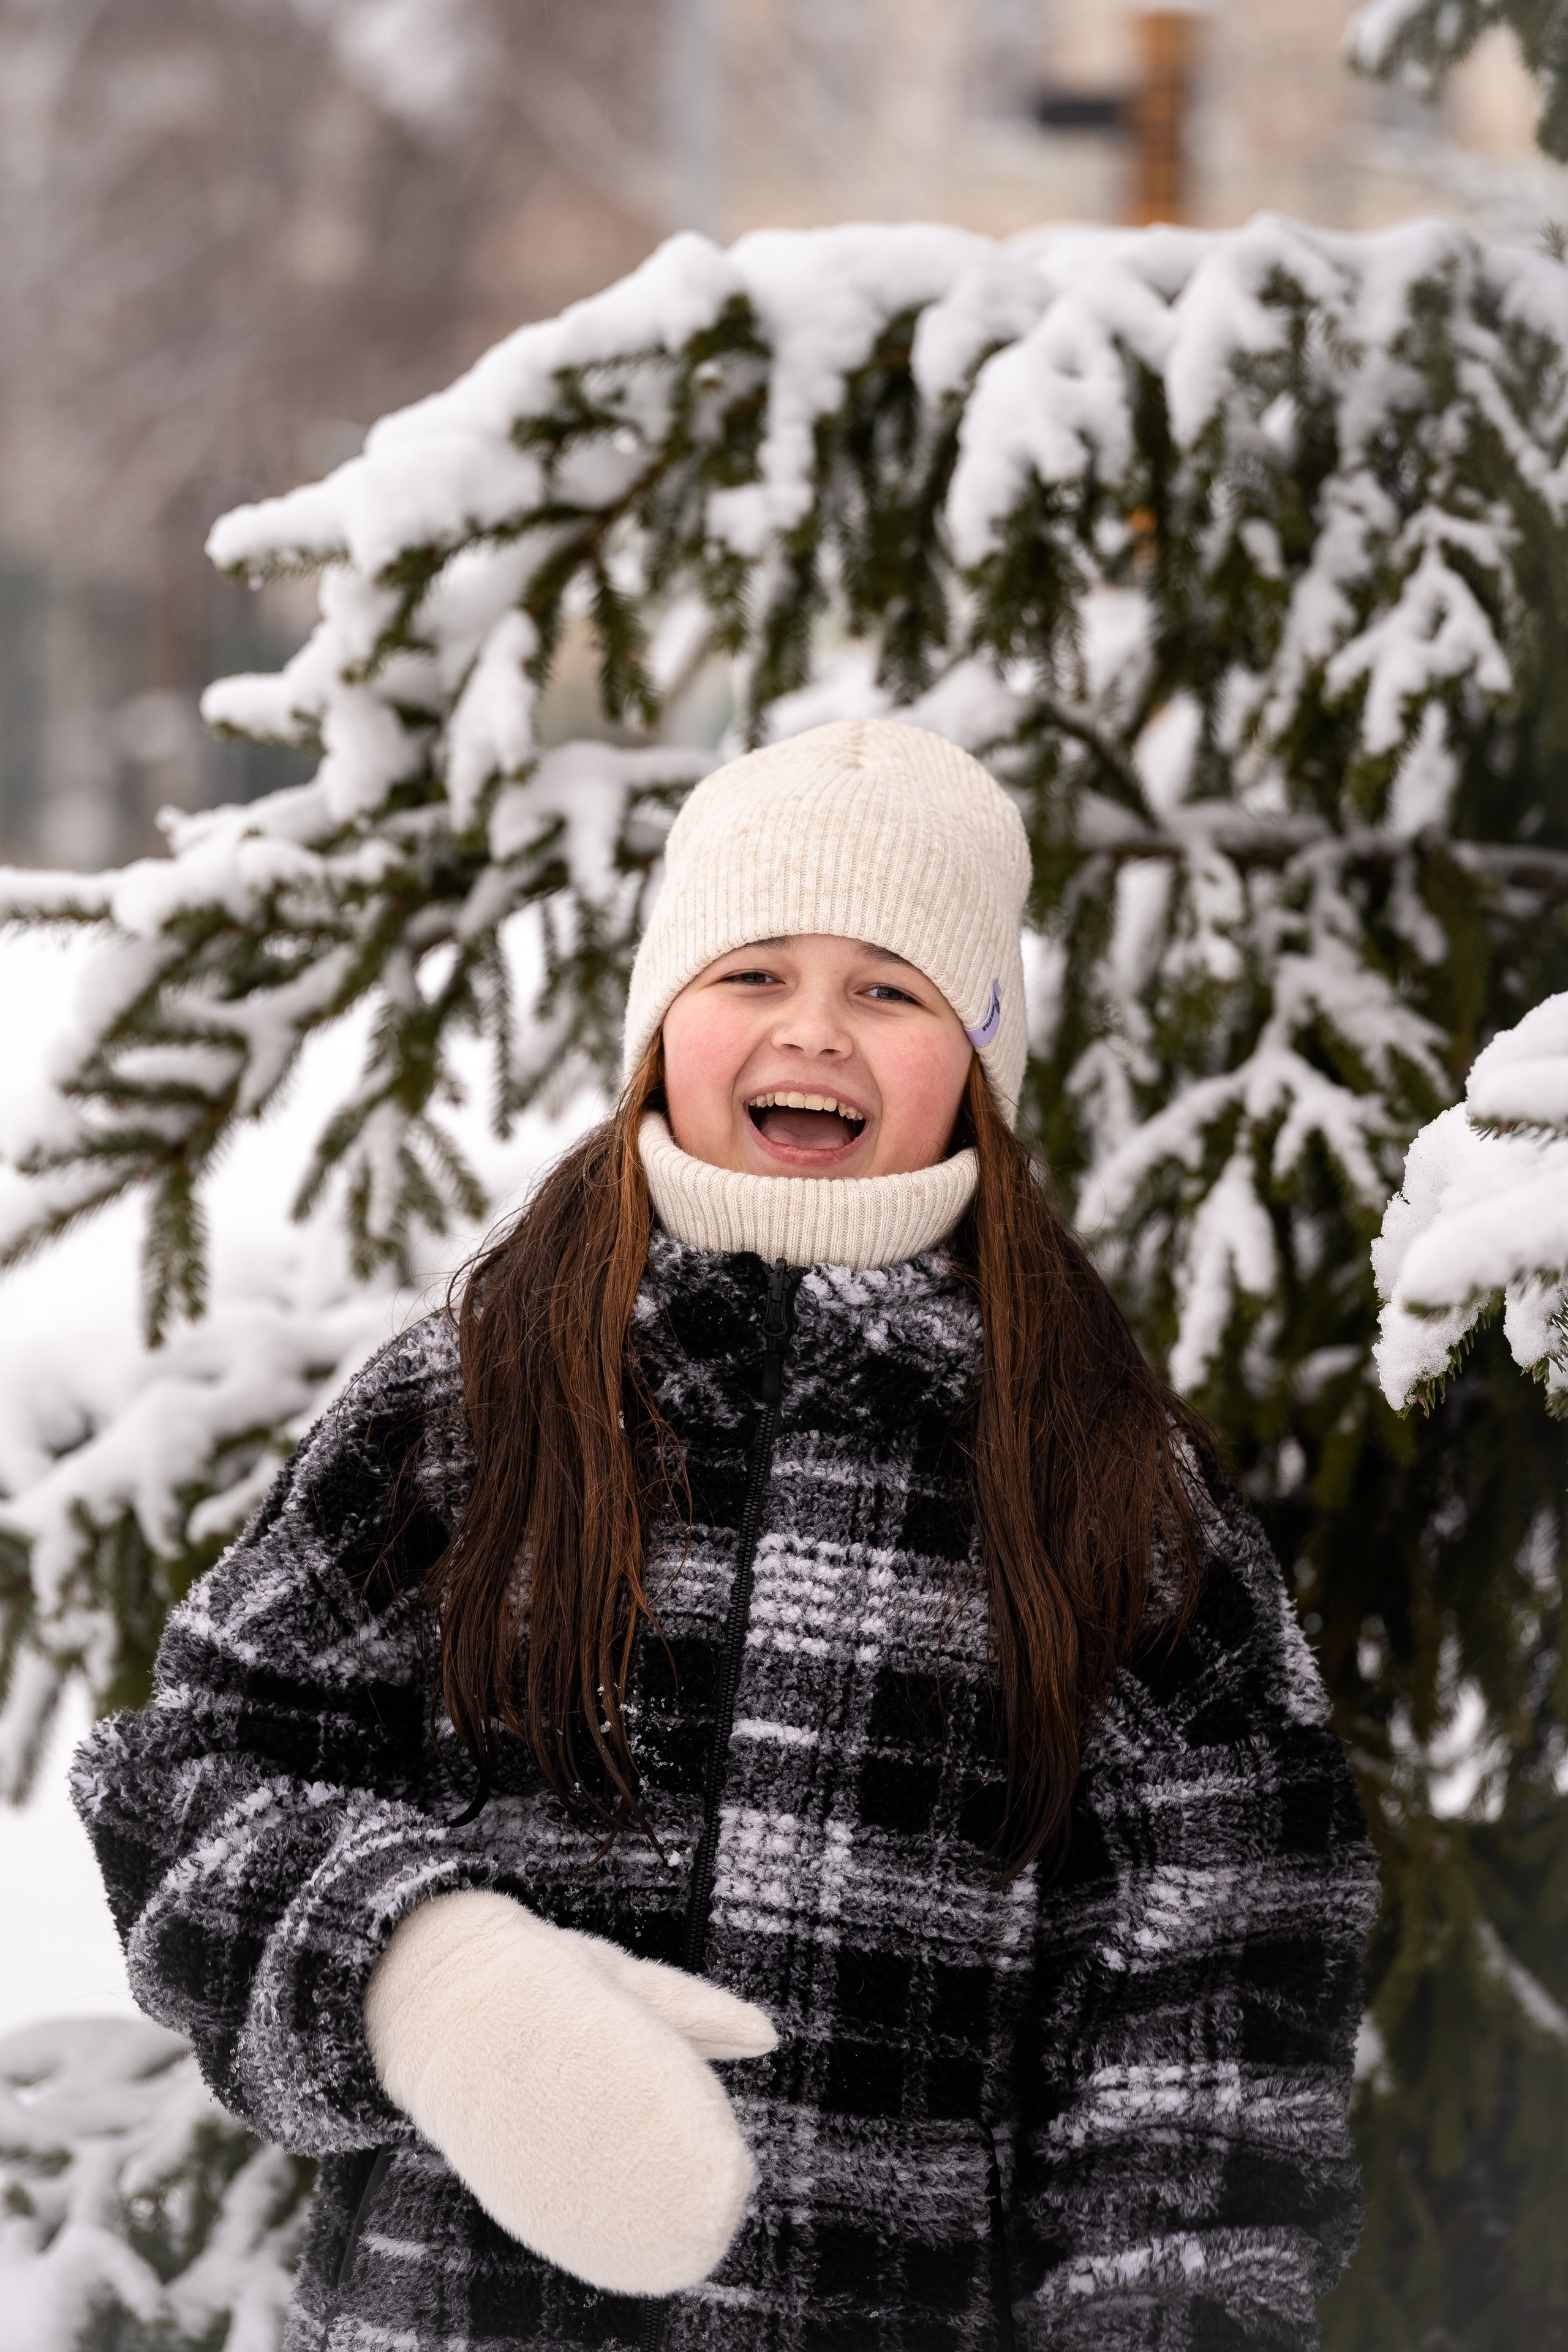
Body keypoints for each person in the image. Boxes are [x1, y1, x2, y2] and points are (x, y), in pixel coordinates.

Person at [72, 719, 1378, 2351]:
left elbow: (1223, 1963)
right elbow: (188, 1777)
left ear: (975, 1058)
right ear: (663, 1023)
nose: (813, 1031)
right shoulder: (480, 1396)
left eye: (891, 989)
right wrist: (421, 1972)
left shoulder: (1096, 1471)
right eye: (752, 972)